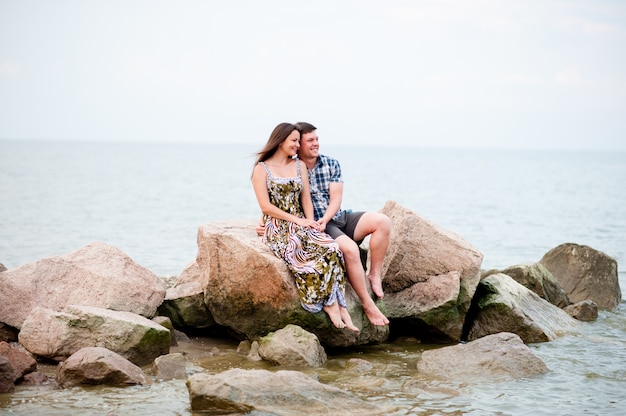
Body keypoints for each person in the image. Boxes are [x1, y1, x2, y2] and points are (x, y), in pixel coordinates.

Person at [251, 122, 359, 331]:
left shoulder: (298, 165)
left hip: (303, 222)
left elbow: (306, 198)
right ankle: (329, 305)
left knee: (331, 248)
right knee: (301, 257)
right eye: (294, 141)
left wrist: (310, 223)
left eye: (299, 141)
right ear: (281, 141)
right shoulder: (261, 169)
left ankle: (338, 303)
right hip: (278, 227)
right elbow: (265, 206)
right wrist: (296, 221)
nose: (297, 145)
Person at [295, 122, 391, 326]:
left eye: (317, 139)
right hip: (320, 226)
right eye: (310, 140)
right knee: (350, 250)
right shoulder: (292, 167)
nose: (316, 144)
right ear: (299, 143)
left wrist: (328, 217)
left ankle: (374, 274)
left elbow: (336, 198)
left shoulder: (331, 163)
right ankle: (367, 304)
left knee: (382, 222)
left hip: (338, 217)